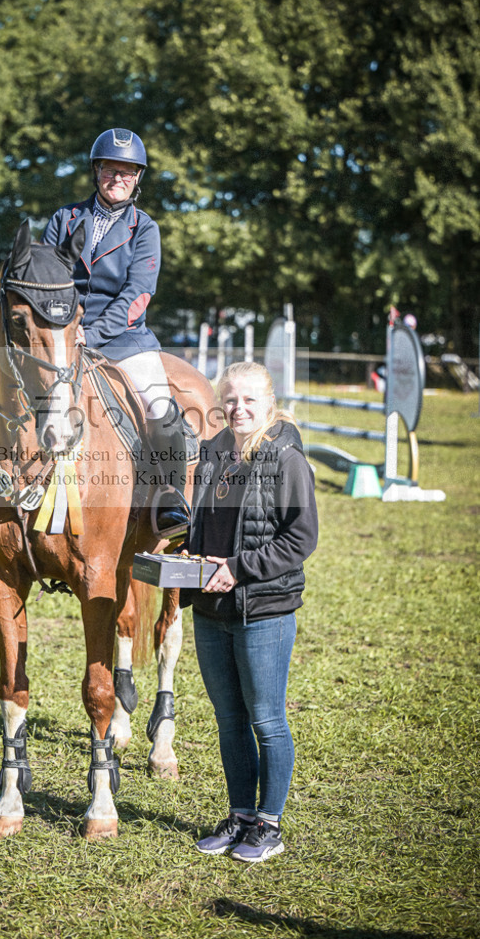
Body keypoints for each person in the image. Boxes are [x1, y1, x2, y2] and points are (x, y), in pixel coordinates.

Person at [0, 128, 188, 537]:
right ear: (96, 172)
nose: (118, 178)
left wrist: (91, 335)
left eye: (127, 172)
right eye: (111, 170)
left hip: (124, 340)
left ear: (137, 178)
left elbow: (138, 294)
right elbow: (45, 276)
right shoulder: (65, 218)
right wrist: (61, 329)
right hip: (58, 336)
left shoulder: (145, 229)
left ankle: (170, 498)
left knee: (158, 406)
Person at [179, 361, 318, 864]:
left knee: (267, 720)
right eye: (231, 399)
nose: (238, 409)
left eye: (249, 401)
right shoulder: (213, 451)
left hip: (264, 608)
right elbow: (200, 524)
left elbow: (302, 538)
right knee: (229, 719)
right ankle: (240, 816)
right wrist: (179, 558)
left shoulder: (286, 457)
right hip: (210, 609)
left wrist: (238, 569)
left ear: (269, 404)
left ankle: (270, 825)